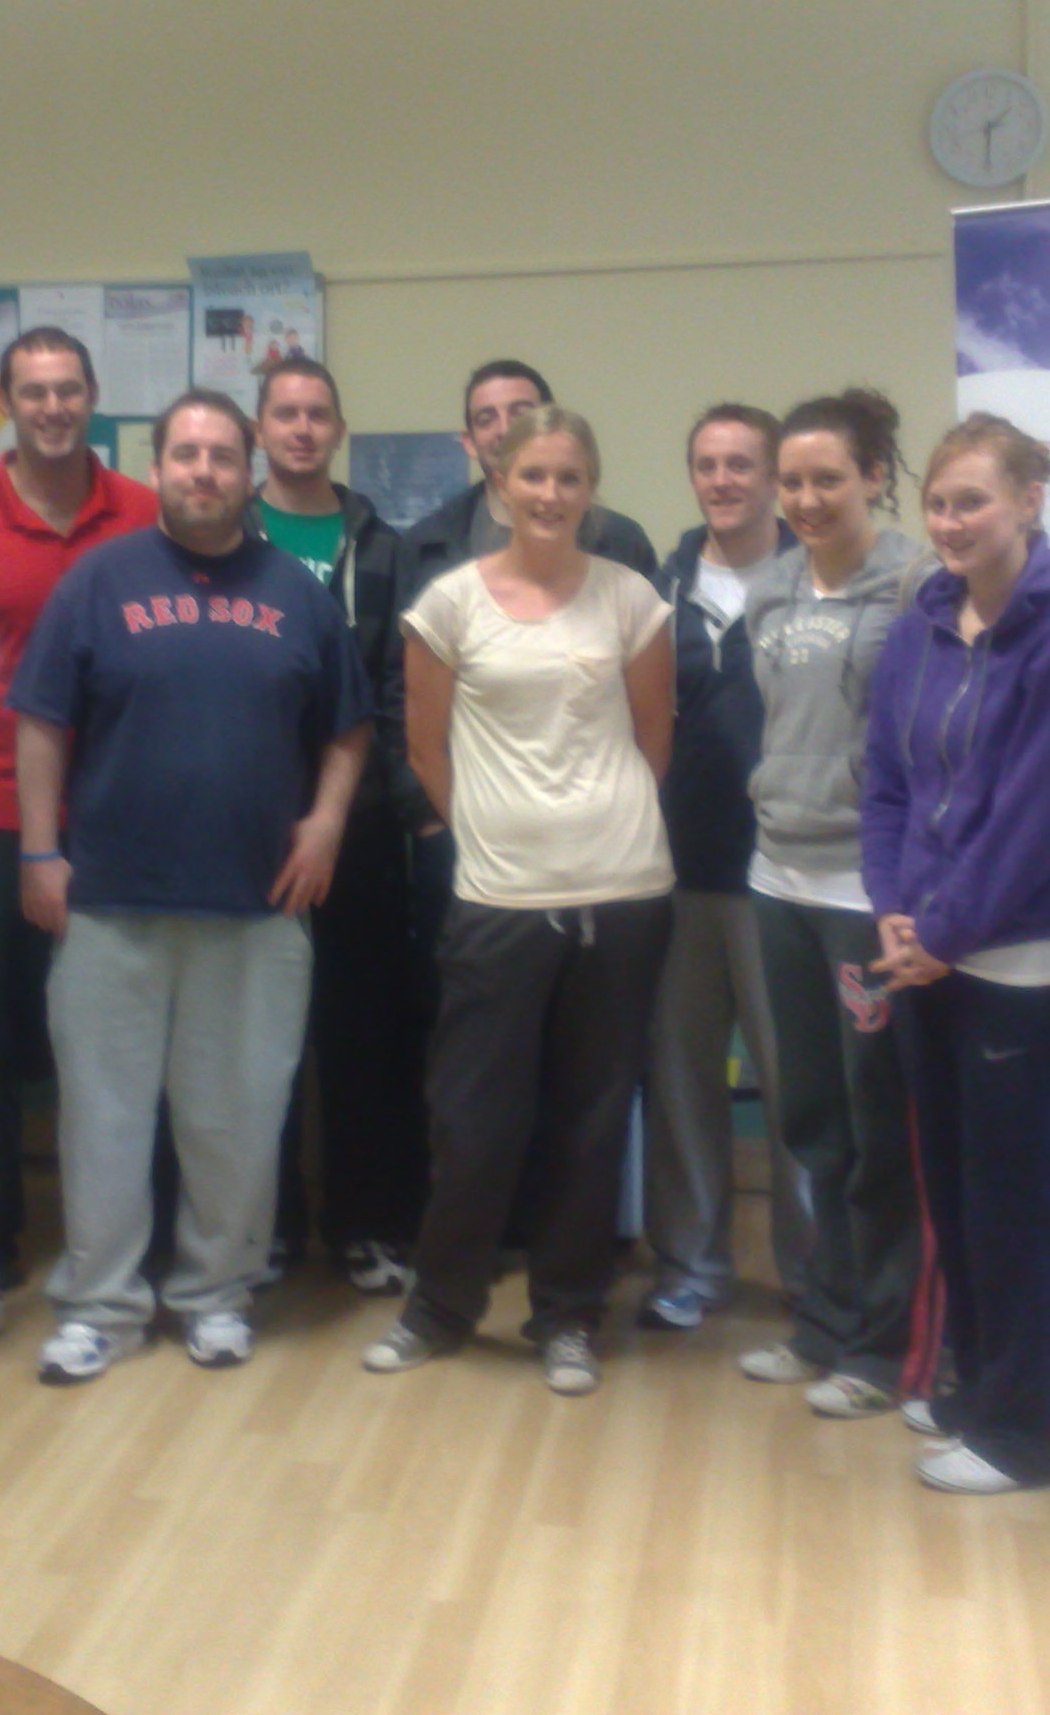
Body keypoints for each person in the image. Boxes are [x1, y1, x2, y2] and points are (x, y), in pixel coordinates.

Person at [11, 390, 371, 1384]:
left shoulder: (296, 592)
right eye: (186, 455)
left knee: (237, 1119)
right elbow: (41, 721)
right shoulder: (99, 579)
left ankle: (216, 1295)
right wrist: (38, 853)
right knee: (104, 1118)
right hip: (110, 901)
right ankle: (101, 1308)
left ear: (248, 470)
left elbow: (348, 727)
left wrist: (326, 821)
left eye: (221, 456)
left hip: (257, 904)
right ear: (157, 467)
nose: (204, 471)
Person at [363, 405, 675, 1397]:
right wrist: (502, 835)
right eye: (532, 475)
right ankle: (439, 1307)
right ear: (499, 483)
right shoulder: (448, 603)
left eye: (568, 478)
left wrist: (593, 826)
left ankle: (568, 1315)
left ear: (590, 489)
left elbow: (654, 740)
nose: (550, 494)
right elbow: (424, 748)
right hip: (499, 896)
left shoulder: (631, 598)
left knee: (591, 1117)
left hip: (622, 891)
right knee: (474, 1116)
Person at [860, 414, 1050, 1494]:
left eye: (974, 500)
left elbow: (1042, 814)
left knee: (1025, 1206)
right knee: (960, 1199)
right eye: (940, 503)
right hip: (927, 955)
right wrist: (893, 910)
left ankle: (1031, 1435)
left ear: (1028, 501)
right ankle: (976, 1394)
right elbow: (885, 783)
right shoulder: (921, 623)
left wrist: (944, 932)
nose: (953, 522)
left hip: (1021, 966)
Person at [732, 387, 929, 1419]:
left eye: (828, 480)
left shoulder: (916, 584)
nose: (806, 500)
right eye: (793, 482)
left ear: (873, 478)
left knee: (874, 1123)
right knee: (809, 1116)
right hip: (778, 877)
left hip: (866, 888)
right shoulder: (768, 589)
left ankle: (882, 1347)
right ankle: (822, 1320)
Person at [0, 327, 160, 1287]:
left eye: (68, 389)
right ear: (6, 402)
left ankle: (132, 1236)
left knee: (124, 1034)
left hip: (121, 808)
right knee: (0, 1036)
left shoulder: (147, 513)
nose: (52, 408)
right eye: (33, 392)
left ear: (93, 395)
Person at [254, 359, 434, 1294]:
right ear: (260, 428)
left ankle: (368, 1225)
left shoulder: (382, 545)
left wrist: (402, 806)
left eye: (317, 414)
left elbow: (402, 688)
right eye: (285, 413)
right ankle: (267, 1226)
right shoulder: (224, 534)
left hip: (358, 826)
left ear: (338, 429)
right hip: (247, 823)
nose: (301, 428)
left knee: (363, 1032)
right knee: (255, 1036)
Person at [641, 403, 805, 1331]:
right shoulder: (656, 588)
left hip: (787, 878)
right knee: (681, 1086)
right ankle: (690, 1269)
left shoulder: (819, 582)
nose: (723, 480)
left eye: (742, 463)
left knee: (797, 1089)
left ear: (773, 476)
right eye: (708, 464)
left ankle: (814, 1282)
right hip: (675, 874)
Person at [406, 360, 659, 589]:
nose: (505, 429)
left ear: (551, 423)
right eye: (486, 419)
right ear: (469, 442)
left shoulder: (623, 542)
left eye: (521, 414)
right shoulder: (424, 546)